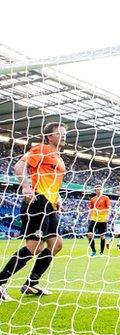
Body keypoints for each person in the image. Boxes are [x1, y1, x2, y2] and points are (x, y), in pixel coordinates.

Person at [0, 122, 67, 300]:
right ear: (49, 136)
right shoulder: (42, 149)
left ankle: (31, 283)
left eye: (65, 133)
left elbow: (53, 183)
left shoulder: (59, 157)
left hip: (50, 204)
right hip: (37, 202)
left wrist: (57, 197)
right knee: (35, 246)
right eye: (60, 133)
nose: (64, 136)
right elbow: (19, 166)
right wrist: (26, 187)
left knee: (56, 245)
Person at [87, 185, 110, 256]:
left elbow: (109, 208)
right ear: (95, 191)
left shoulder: (106, 198)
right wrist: (88, 218)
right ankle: (93, 251)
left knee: (102, 236)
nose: (99, 190)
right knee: (89, 235)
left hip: (102, 220)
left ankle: (101, 252)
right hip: (94, 219)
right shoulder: (92, 199)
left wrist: (107, 217)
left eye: (100, 189)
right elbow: (91, 209)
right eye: (98, 189)